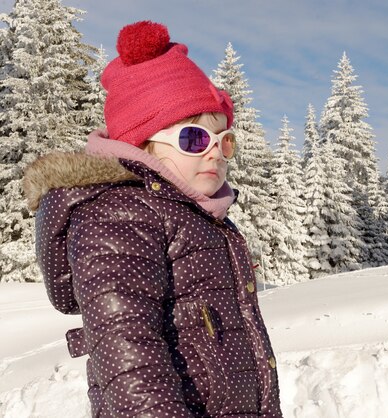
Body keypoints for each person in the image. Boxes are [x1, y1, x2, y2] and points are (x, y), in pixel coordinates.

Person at [23, 21, 282, 418]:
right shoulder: (120, 217)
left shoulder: (198, 219)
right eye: (194, 138)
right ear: (142, 144)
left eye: (223, 139)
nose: (213, 152)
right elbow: (126, 348)